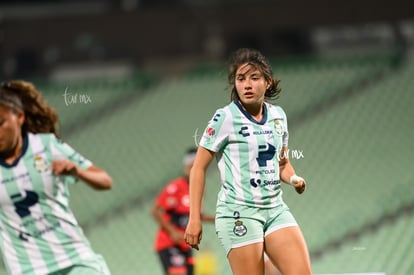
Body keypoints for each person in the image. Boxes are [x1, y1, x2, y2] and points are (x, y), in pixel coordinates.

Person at [184, 48, 312, 275]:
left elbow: (282, 163)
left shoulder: (278, 116)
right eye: (241, 79)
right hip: (239, 213)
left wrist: (293, 178)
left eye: (254, 78)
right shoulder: (224, 117)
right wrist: (194, 218)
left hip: (275, 210)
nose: (247, 85)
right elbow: (198, 168)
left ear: (268, 81)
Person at [0, 80, 113, 275]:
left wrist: (77, 171)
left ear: (19, 117)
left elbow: (105, 181)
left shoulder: (46, 146)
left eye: (0, 123)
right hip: (27, 270)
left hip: (75, 260)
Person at [152, 148, 214, 275]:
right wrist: (173, 232)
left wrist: (218, 220)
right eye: (191, 166)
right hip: (169, 243)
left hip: (186, 244)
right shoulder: (175, 187)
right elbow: (156, 211)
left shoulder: (201, 189)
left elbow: (197, 215)